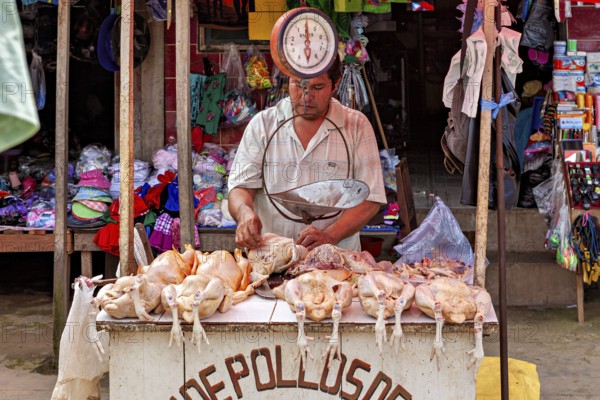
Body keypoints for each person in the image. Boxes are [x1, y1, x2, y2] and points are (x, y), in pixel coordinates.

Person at [227, 56, 386, 251]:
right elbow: (240, 186)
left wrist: (330, 235)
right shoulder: (262, 125)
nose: (306, 96)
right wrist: (244, 212)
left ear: (335, 84)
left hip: (336, 263)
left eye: (317, 88)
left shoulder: (356, 126)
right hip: (271, 258)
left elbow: (370, 199)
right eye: (297, 85)